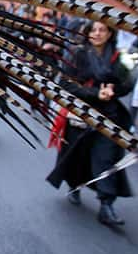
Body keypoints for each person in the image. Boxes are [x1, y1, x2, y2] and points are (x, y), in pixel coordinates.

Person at [47, 21, 133, 226]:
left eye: (103, 29)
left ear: (110, 33)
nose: (97, 33)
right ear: (87, 33)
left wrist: (114, 91)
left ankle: (106, 205)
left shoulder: (119, 57)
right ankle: (74, 186)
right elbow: (65, 85)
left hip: (109, 116)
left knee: (107, 159)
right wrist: (95, 93)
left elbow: (127, 84)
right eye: (93, 29)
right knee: (77, 155)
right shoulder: (78, 54)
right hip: (81, 114)